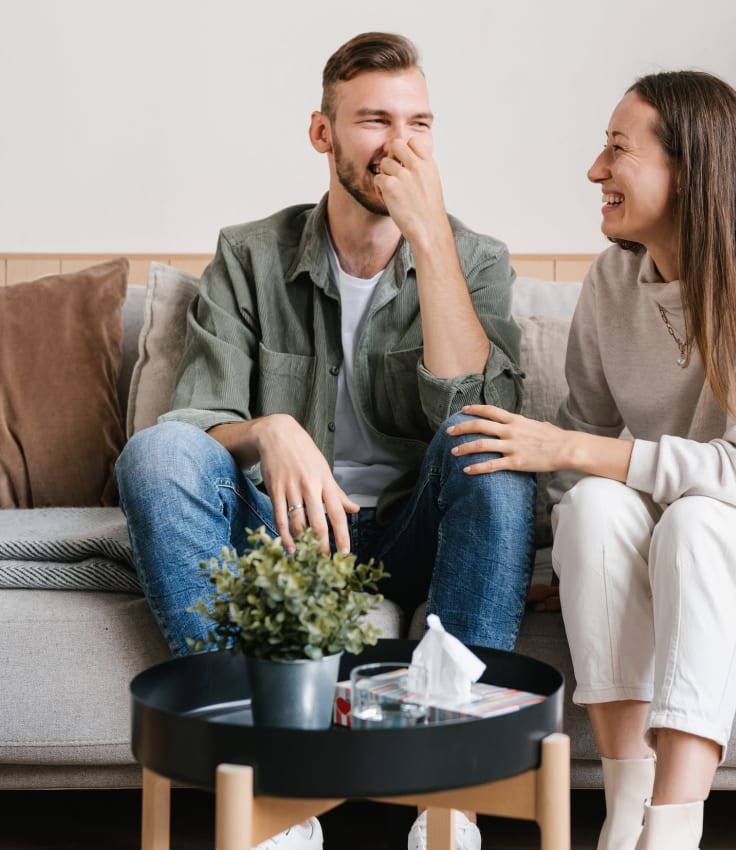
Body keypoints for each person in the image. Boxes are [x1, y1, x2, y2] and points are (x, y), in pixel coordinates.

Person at [115, 32, 536, 850]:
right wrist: (268, 431)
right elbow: (191, 424)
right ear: (323, 133)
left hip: (415, 530)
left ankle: (451, 797)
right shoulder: (250, 255)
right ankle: (277, 784)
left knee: (492, 450)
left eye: (419, 124)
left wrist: (432, 243)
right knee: (154, 458)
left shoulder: (476, 258)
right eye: (375, 120)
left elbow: (478, 415)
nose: (400, 145)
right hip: (289, 539)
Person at [448, 70, 736, 850]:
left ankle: (675, 828)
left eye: (617, 150)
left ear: (688, 170)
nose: (595, 171)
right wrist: (582, 558)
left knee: (699, 524)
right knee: (593, 505)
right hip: (676, 546)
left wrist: (573, 447)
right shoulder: (613, 281)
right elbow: (581, 451)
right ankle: (625, 810)